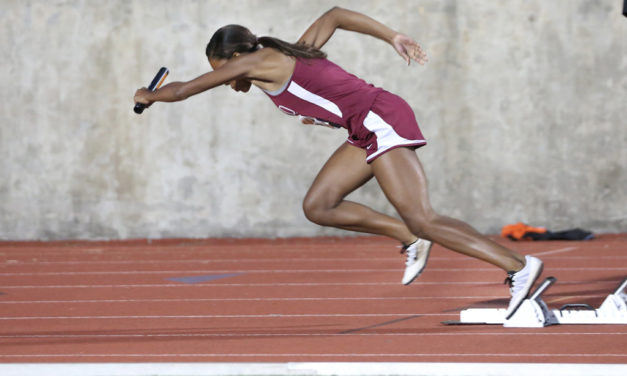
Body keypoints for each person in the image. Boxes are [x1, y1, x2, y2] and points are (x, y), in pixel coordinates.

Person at [134, 7, 543, 318]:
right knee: (319, 206)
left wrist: (148, 96)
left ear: (240, 55)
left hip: (379, 119)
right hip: (363, 130)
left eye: (225, 71)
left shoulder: (256, 61)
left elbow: (185, 90)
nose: (230, 81)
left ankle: (518, 266)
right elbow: (335, 15)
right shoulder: (286, 54)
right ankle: (409, 236)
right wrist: (392, 36)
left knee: (424, 217)